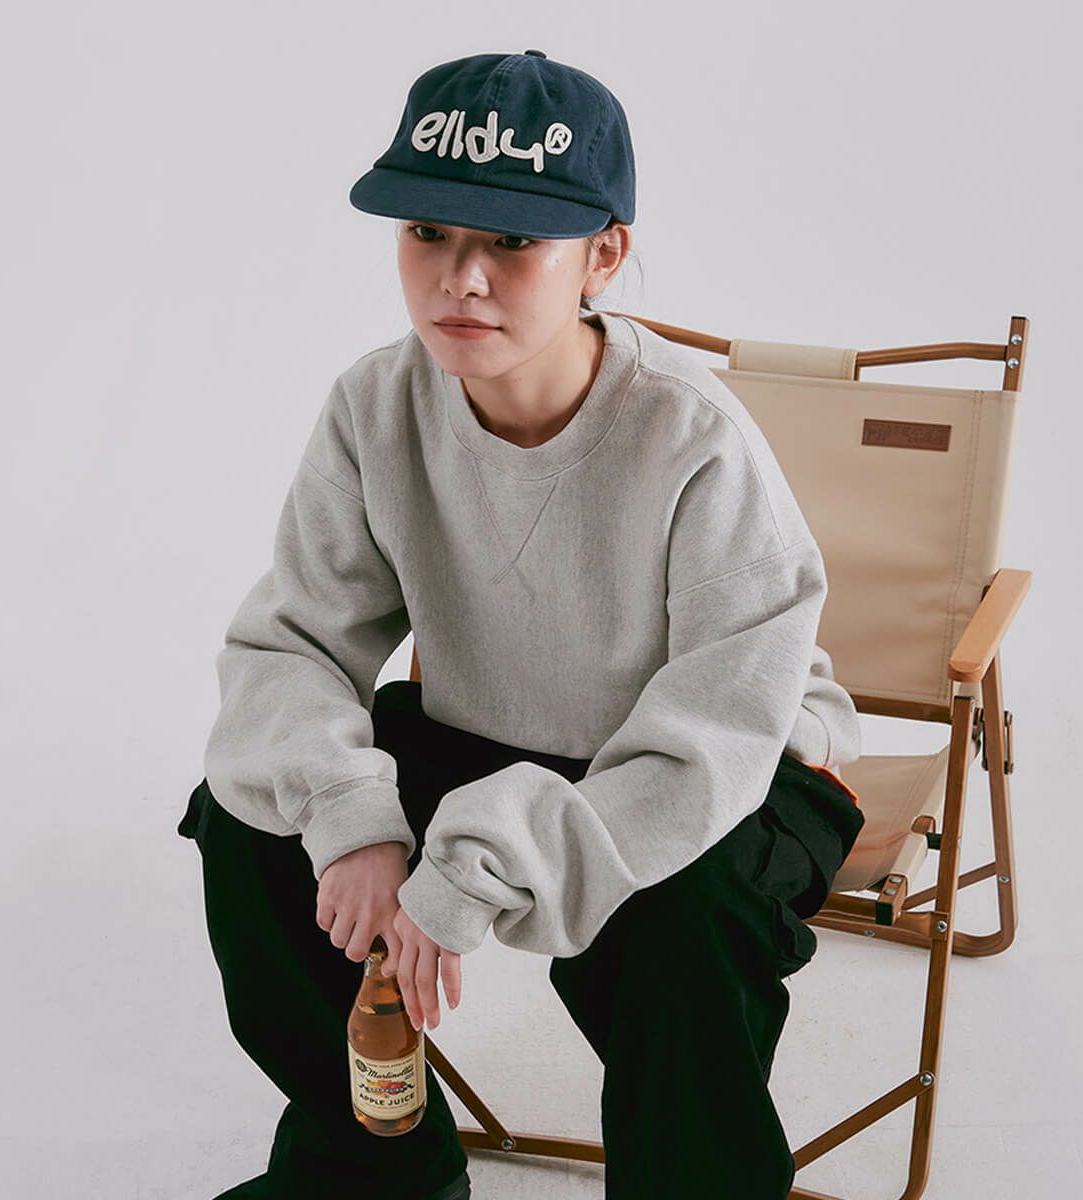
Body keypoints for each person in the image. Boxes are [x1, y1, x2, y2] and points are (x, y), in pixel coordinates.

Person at [178, 49, 866, 1200]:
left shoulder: (692, 436)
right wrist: (353, 820)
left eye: (511, 241)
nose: (462, 279)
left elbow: (718, 728)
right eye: (429, 233)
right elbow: (294, 643)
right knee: (251, 818)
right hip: (494, 731)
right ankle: (375, 1167)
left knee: (680, 912)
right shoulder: (375, 404)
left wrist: (471, 871)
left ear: (604, 255)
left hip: (732, 759)